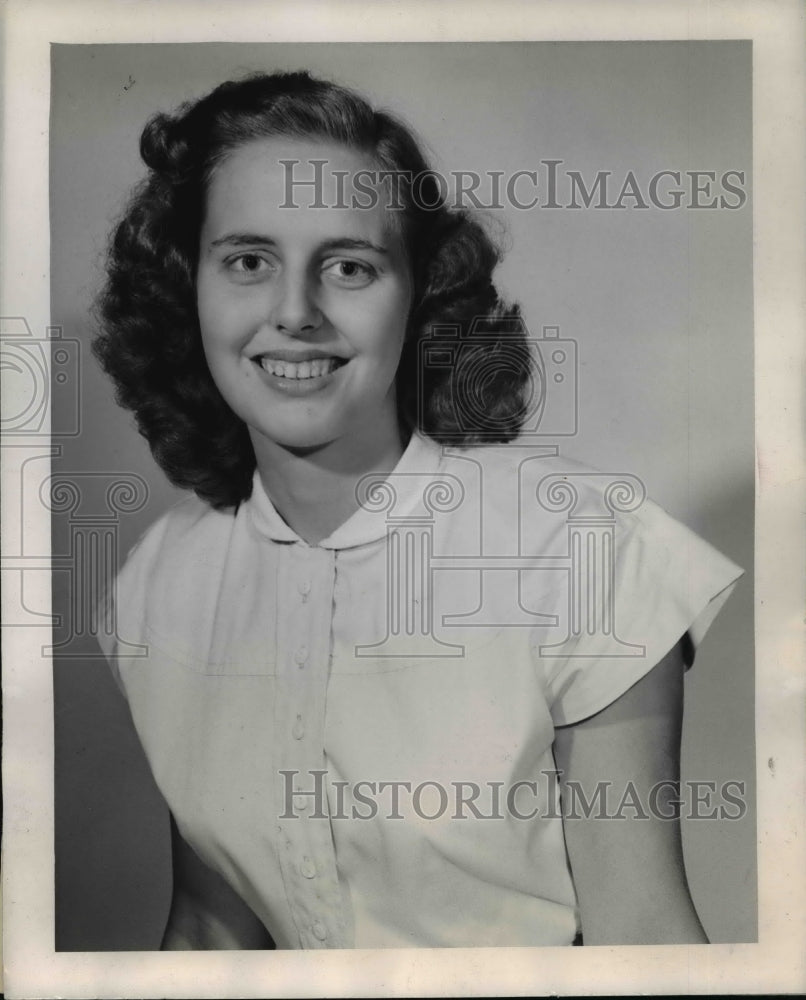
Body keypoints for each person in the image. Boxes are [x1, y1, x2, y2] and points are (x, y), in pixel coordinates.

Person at [93, 70, 743, 950]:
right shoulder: (159, 585)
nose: (295, 314)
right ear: (187, 287)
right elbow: (213, 931)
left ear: (420, 296)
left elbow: (646, 934)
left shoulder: (580, 551)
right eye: (248, 261)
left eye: (349, 267)